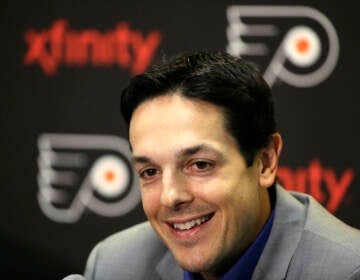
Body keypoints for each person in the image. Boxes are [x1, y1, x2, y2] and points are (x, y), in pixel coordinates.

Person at [83, 51, 360, 280]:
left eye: (200, 165)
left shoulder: (347, 271)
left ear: (265, 162)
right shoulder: (113, 266)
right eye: (150, 172)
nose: (170, 196)